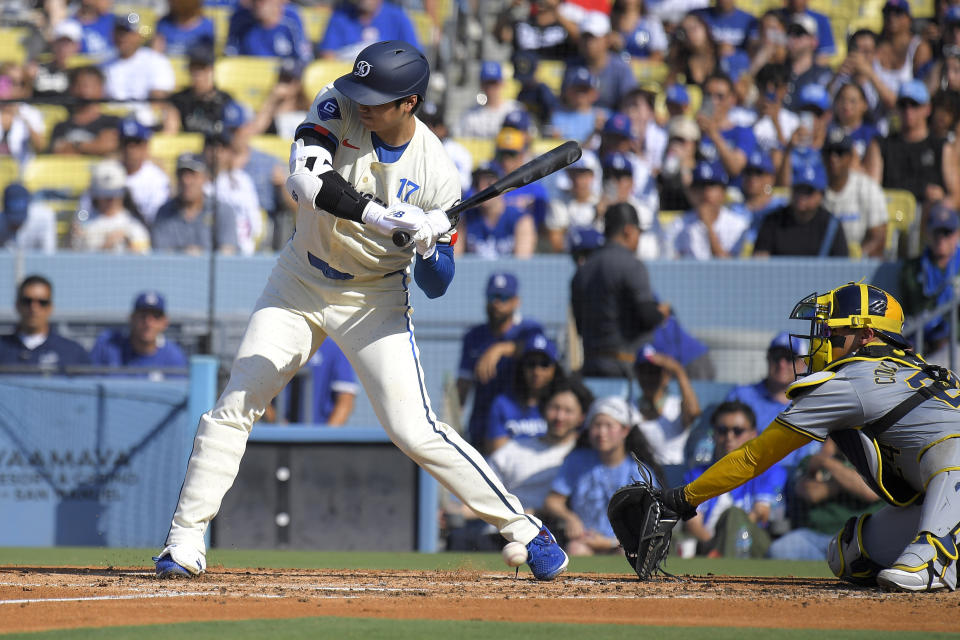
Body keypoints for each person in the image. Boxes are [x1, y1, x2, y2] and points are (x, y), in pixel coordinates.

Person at [154, 41, 569, 581]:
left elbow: (437, 285)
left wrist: (429, 243)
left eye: (378, 98)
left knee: (413, 428)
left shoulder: (439, 173)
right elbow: (306, 181)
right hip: (299, 279)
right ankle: (184, 542)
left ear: (410, 104)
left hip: (373, 295)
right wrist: (386, 218)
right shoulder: (337, 104)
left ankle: (524, 528)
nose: (363, 104)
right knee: (238, 400)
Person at [656, 282, 960, 591]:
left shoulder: (849, 380)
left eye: (832, 332)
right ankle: (939, 550)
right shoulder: (927, 369)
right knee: (852, 555)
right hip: (944, 497)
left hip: (954, 479)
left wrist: (682, 498)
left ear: (866, 335)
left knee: (952, 451)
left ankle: (935, 557)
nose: (822, 340)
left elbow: (754, 456)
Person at [543, 396, 650, 556]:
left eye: (608, 425)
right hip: (585, 541)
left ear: (625, 431)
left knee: (631, 552)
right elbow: (553, 501)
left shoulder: (640, 471)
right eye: (597, 425)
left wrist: (613, 541)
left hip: (624, 544)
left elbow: (651, 518)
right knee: (575, 549)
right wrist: (570, 518)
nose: (601, 432)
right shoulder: (576, 461)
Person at [682, 401, 787, 558]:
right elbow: (693, 523)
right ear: (714, 434)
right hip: (709, 545)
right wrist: (717, 546)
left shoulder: (769, 471)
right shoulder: (697, 475)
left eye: (737, 431)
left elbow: (760, 514)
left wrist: (725, 540)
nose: (729, 437)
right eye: (722, 430)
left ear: (754, 434)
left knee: (733, 515)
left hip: (753, 545)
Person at [571, 202, 665, 377]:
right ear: (629, 230)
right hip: (624, 367)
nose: (638, 239)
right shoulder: (631, 264)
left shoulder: (583, 270)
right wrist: (661, 313)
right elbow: (647, 317)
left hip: (591, 366)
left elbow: (579, 327)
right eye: (638, 232)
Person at [457, 272, 546, 450]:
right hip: (481, 425)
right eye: (492, 296)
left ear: (516, 301)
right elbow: (463, 385)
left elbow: (540, 351)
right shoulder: (474, 336)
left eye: (504, 297)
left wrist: (501, 349)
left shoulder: (529, 329)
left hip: (522, 423)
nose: (496, 303)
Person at [488, 378, 596, 513]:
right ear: (543, 409)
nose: (559, 417)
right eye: (555, 408)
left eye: (568, 411)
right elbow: (483, 497)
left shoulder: (587, 457)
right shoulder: (511, 451)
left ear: (582, 417)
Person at [768, 438, 881, 561]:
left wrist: (827, 463)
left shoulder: (872, 460)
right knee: (778, 550)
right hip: (815, 537)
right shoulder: (812, 460)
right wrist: (849, 483)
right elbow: (811, 493)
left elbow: (870, 491)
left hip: (858, 537)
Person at [718, 331, 818, 468]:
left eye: (789, 358)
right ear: (768, 359)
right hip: (745, 474)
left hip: (794, 480)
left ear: (803, 363)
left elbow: (813, 455)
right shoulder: (741, 396)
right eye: (777, 357)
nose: (782, 364)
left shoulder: (813, 404)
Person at [867, 81, 959, 213]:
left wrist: (942, 203)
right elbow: (872, 191)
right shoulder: (881, 145)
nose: (908, 111)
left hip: (928, 219)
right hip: (892, 215)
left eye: (914, 105)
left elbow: (956, 196)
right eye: (903, 105)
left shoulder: (943, 148)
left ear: (928, 108)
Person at [898, 203, 960, 362]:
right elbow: (906, 311)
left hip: (954, 345)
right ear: (927, 233)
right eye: (936, 232)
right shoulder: (912, 268)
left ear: (957, 234)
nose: (941, 238)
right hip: (920, 343)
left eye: (947, 232)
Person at [753, 159, 849, 257]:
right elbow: (760, 261)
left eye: (808, 191)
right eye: (798, 189)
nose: (802, 196)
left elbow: (841, 266)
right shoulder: (773, 221)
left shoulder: (831, 225)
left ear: (821, 194)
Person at [486, 333, 564, 453]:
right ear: (521, 367)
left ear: (554, 368)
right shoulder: (502, 404)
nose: (537, 371)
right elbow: (497, 454)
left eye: (544, 364)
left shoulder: (564, 407)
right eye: (531, 363)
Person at [151, 152, 239, 255]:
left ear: (205, 178)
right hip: (174, 270)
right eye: (182, 175)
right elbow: (160, 254)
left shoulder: (221, 211)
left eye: (193, 175)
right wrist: (186, 254)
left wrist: (198, 256)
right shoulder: (164, 213)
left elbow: (228, 252)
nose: (186, 181)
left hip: (212, 271)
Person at [821, 129, 888, 259]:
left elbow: (879, 238)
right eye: (829, 152)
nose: (833, 158)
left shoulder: (868, 188)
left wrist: (854, 259)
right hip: (821, 262)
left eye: (840, 153)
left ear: (850, 157)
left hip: (858, 267)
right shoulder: (813, 190)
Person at [0, 274, 90, 371]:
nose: (34, 308)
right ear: (17, 304)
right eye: (27, 301)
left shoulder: (72, 352)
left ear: (50, 308)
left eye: (42, 302)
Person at [663, 160, 750, 260]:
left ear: (723, 192)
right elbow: (671, 266)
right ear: (691, 192)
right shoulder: (677, 225)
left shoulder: (738, 225)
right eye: (700, 186)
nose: (706, 192)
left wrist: (708, 226)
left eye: (712, 185)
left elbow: (730, 269)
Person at [89, 291, 188, 376]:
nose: (148, 323)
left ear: (165, 322)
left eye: (156, 316)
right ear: (131, 318)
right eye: (143, 316)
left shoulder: (173, 357)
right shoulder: (107, 346)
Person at [102, 13, 176, 125]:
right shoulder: (104, 64)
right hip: (111, 122)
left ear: (138, 35)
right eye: (119, 32)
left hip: (145, 122)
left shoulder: (156, 60)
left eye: (127, 33)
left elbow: (159, 99)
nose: (122, 37)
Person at [634, 343, 701, 466]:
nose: (648, 377)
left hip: (671, 476)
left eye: (654, 371)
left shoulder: (675, 406)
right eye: (643, 371)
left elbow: (693, 413)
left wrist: (679, 371)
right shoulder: (629, 407)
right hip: (639, 476)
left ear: (666, 376)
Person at [456, 163, 537, 259]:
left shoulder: (521, 220)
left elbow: (523, 265)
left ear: (503, 185)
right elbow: (456, 261)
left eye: (490, 183)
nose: (482, 189)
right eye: (477, 183)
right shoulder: (465, 219)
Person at [72, 159, 151, 254]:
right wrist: (104, 248)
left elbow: (144, 261)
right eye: (105, 196)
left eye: (114, 195)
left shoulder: (134, 227)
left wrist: (130, 246)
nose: (110, 201)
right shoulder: (84, 225)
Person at [280, 339, 359, 425]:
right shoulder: (278, 343)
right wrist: (281, 428)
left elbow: (346, 400)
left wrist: (326, 436)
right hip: (279, 434)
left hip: (320, 430)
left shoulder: (334, 347)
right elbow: (263, 393)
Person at [568, 12, 636, 112]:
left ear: (607, 39)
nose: (588, 43)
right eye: (585, 37)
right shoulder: (571, 67)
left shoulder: (622, 69)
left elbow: (630, 106)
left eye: (593, 38)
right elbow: (565, 103)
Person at [165, 45, 236, 136]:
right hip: (188, 148)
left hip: (216, 147)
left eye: (201, 68)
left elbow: (234, 135)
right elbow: (170, 132)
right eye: (193, 68)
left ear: (211, 71)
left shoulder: (225, 100)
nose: (197, 73)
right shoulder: (179, 99)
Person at [48, 65, 120, 155]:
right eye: (80, 84)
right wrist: (93, 145)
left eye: (90, 84)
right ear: (72, 89)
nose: (85, 89)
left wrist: (74, 145)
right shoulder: (61, 127)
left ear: (101, 88)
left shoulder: (113, 122)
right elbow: (58, 152)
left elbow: (107, 146)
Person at [316, 0, 419, 61]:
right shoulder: (340, 16)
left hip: (387, 82)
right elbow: (327, 56)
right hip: (347, 82)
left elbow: (413, 57)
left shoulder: (398, 17)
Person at [873, 0, 932, 99]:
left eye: (898, 13)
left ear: (909, 19)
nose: (891, 17)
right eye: (887, 12)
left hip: (907, 110)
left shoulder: (918, 48)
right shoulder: (875, 47)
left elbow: (921, 91)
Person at [118, 118, 170, 226]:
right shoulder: (108, 173)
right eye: (126, 143)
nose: (130, 149)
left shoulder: (157, 178)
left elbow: (158, 219)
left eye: (136, 143)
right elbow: (84, 214)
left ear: (145, 146)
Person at [225, 0, 311, 63]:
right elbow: (230, 57)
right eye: (254, 1)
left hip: (282, 78)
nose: (258, 4)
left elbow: (304, 59)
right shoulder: (239, 18)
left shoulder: (291, 19)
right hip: (248, 77)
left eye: (263, 1)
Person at [545, 154, 600, 252]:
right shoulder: (558, 203)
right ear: (568, 175)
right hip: (569, 259)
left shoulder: (601, 204)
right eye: (574, 174)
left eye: (583, 174)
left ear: (592, 176)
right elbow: (557, 244)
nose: (578, 180)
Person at [781, 13, 833, 113]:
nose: (792, 38)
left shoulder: (824, 74)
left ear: (814, 41)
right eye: (789, 33)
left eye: (799, 33)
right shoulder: (777, 70)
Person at [456, 61, 522, 139]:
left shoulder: (514, 109)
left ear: (502, 83)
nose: (491, 88)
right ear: (481, 85)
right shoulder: (471, 115)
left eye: (494, 83)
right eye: (487, 83)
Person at [0, 183, 56, 253]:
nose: (16, 222)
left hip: (37, 262)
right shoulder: (1, 222)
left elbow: (48, 257)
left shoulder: (43, 218)